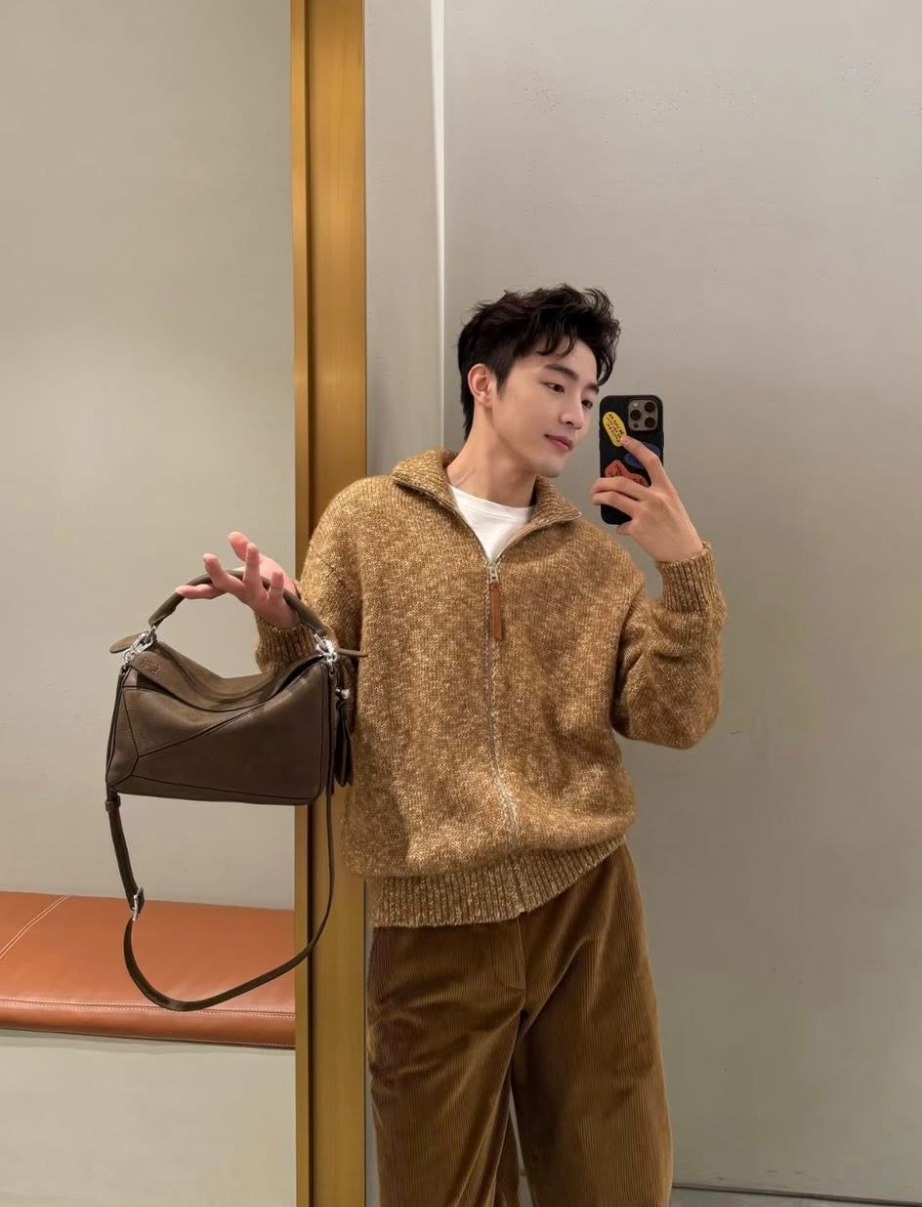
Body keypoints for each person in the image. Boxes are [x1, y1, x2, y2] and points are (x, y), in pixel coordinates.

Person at [177, 285, 727, 1206]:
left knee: (617, 1176)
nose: (576, 412)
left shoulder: (595, 561)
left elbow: (677, 716)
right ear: (484, 383)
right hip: (430, 917)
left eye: (591, 395)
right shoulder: (368, 522)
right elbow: (315, 705)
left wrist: (684, 568)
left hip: (586, 909)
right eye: (556, 382)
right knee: (438, 1185)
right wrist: (281, 625)